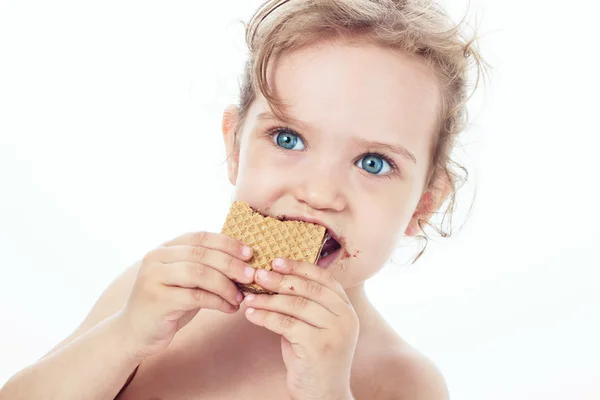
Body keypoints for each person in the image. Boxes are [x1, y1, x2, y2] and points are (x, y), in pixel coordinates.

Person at [0, 0, 486, 399]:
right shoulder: (159, 290)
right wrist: (126, 334)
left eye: (373, 163)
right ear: (235, 147)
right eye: (288, 139)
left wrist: (328, 392)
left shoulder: (401, 379)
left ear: (423, 204)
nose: (317, 193)